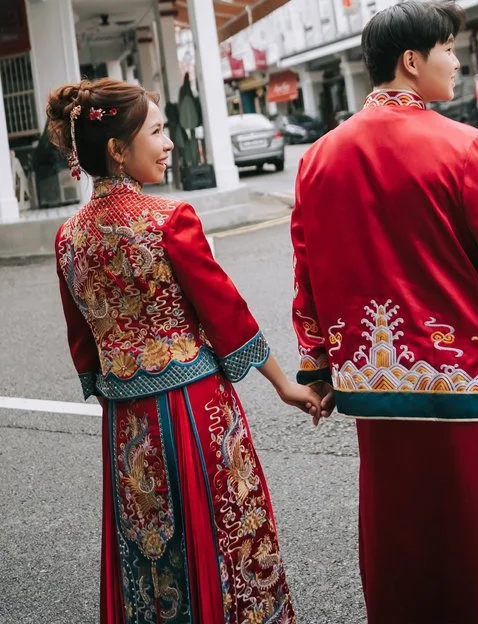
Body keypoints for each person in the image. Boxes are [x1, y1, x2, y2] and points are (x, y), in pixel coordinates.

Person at [289, 0, 478, 623]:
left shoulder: (318, 160)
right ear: (412, 62)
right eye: (448, 49)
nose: (459, 61)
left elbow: (309, 273)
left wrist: (320, 368)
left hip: (375, 390)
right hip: (472, 387)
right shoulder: (467, 148)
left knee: (406, 546)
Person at [50, 79, 322, 623]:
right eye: (156, 131)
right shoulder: (170, 221)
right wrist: (285, 384)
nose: (169, 141)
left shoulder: (68, 237)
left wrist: (121, 393)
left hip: (127, 421)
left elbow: (83, 346)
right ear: (118, 151)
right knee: (222, 538)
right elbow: (227, 316)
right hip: (196, 411)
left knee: (149, 547)